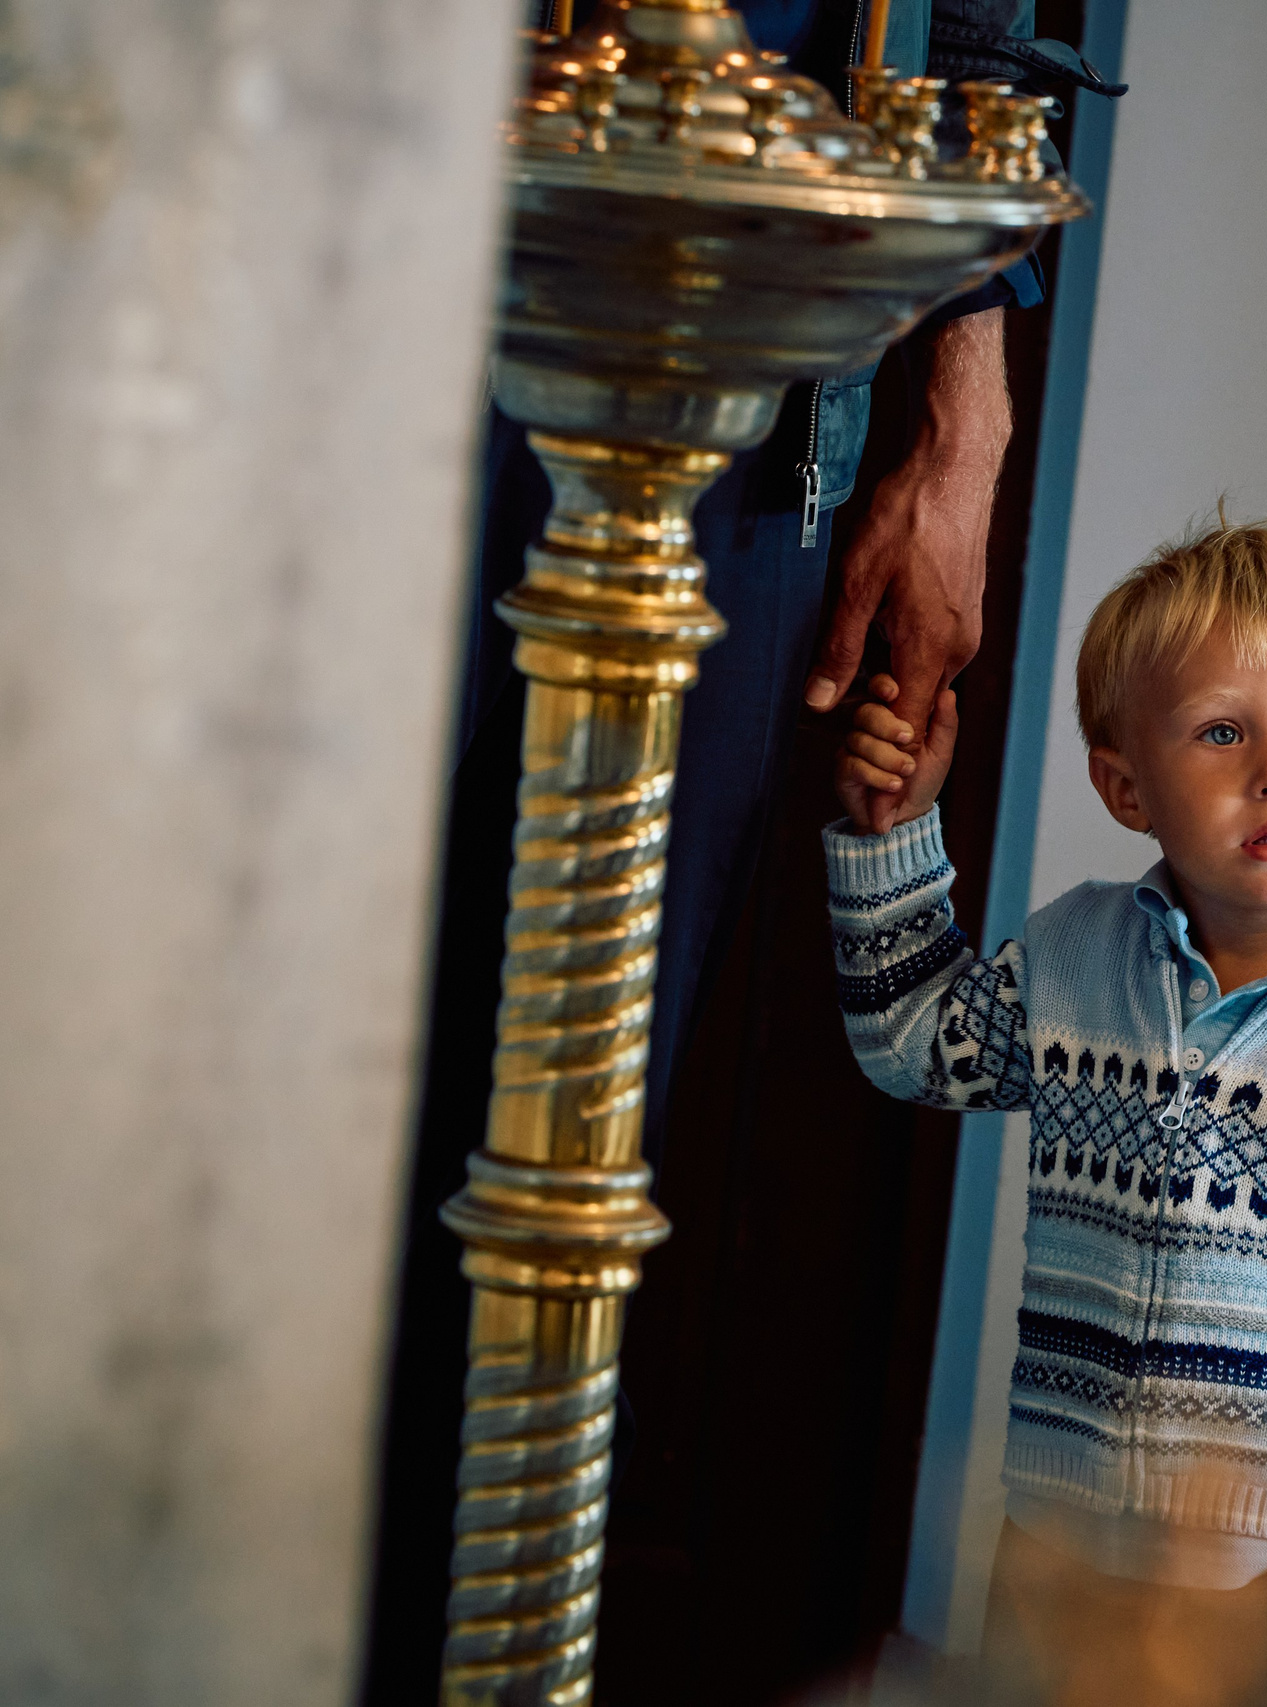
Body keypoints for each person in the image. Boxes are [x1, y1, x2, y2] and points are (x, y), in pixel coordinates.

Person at [364, 2, 1120, 1693]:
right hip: (340, 232)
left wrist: (963, 424)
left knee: (557, 1128)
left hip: (757, 343)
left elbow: (980, 30)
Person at [823, 520, 1267, 1704]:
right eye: (1221, 731)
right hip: (1055, 1553)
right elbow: (916, 1050)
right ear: (1124, 785)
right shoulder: (1076, 956)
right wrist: (890, 835)